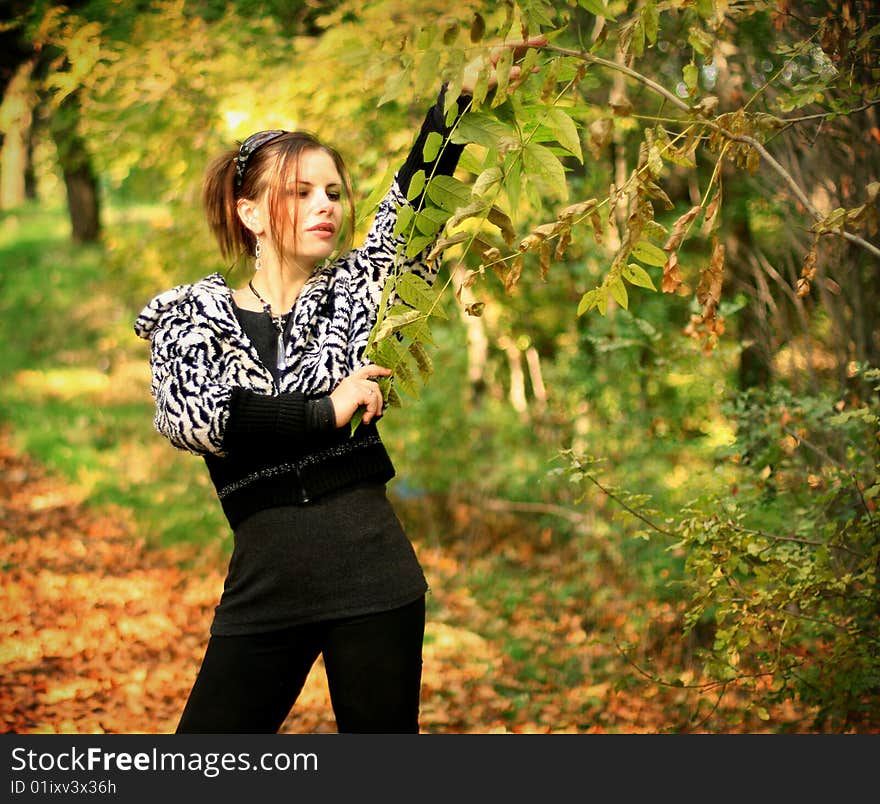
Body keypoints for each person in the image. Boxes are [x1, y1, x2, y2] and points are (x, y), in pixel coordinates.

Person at [134, 40, 542, 734]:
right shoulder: (190, 314)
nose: (326, 204)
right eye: (300, 192)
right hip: (265, 588)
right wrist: (326, 409)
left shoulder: (356, 292)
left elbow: (416, 202)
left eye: (332, 191)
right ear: (250, 212)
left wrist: (467, 88)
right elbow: (197, 419)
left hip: (374, 579)